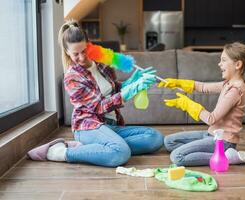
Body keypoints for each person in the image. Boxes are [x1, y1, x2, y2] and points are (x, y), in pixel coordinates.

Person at [27, 20, 164, 167]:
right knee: (121, 153)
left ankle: (104, 147)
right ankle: (63, 152)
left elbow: (114, 90)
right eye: (75, 54)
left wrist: (132, 81)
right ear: (67, 52)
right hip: (88, 126)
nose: (82, 57)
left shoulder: (102, 65)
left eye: (84, 51)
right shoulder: (72, 78)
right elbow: (99, 107)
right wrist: (131, 90)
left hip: (111, 125)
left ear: (89, 44)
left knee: (155, 138)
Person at [158, 42, 245, 166]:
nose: (219, 64)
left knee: (177, 156)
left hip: (223, 141)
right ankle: (206, 151)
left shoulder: (236, 90)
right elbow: (203, 87)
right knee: (169, 142)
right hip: (210, 134)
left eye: (223, 60)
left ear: (238, 64)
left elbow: (211, 119)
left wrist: (187, 105)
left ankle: (226, 157)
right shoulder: (228, 83)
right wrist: (178, 83)